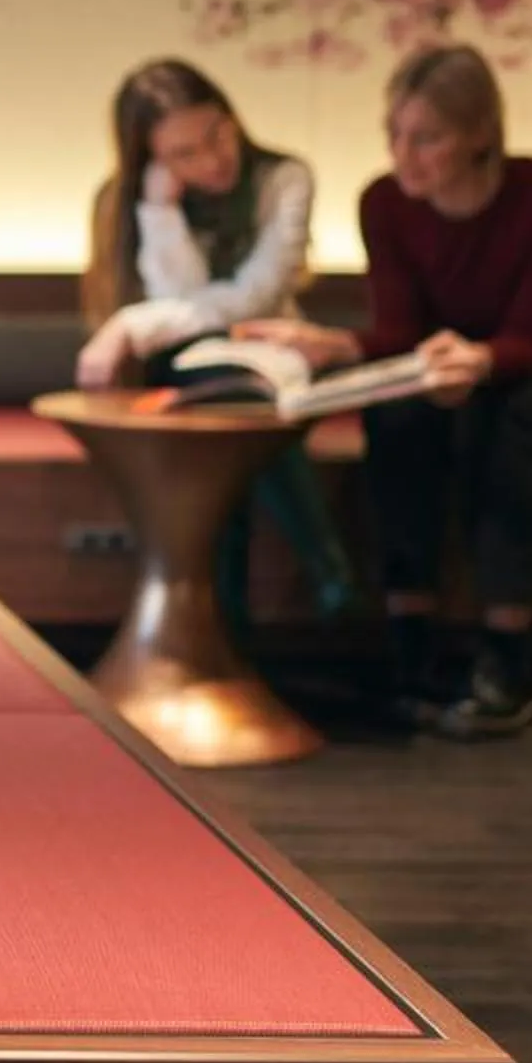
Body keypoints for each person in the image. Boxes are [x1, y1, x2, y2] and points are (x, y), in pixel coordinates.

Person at [239, 43, 532, 739]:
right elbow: (401, 330)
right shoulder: (386, 204)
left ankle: (507, 658)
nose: (404, 155)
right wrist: (337, 346)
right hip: (451, 375)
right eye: (393, 135)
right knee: (398, 417)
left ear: (482, 133)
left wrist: (477, 361)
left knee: (500, 414)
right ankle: (409, 644)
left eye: (427, 138)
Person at [75, 58, 359, 635]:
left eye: (218, 134)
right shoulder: (133, 200)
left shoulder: (284, 179)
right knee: (216, 404)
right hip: (181, 369)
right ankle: (318, 567)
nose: (213, 159)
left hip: (273, 356)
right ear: (151, 158)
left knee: (230, 411)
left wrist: (132, 323)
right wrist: (161, 211)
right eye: (184, 153)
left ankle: (231, 635)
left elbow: (255, 297)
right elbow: (183, 305)